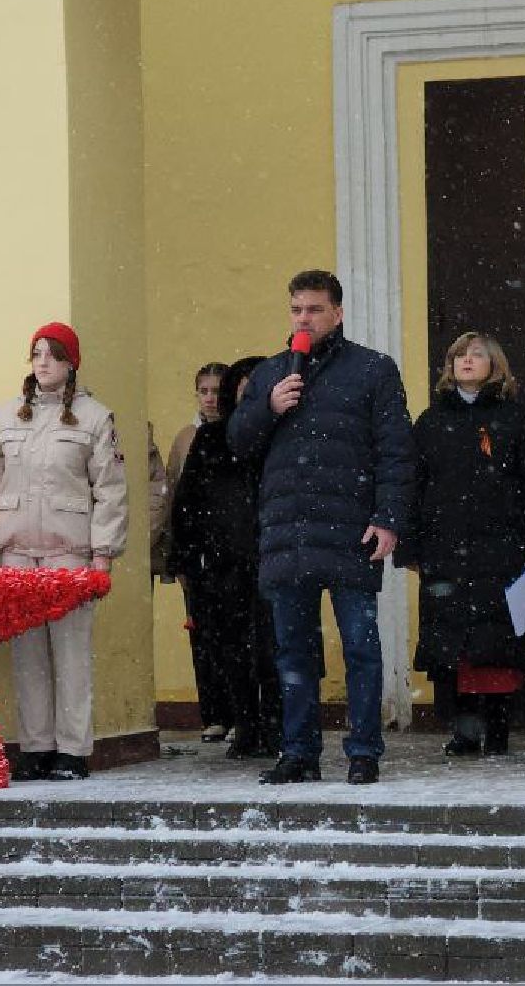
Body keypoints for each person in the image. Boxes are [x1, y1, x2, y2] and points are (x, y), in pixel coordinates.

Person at [227, 269, 415, 786]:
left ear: (337, 313)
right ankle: (299, 752)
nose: (303, 318)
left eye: (313, 309)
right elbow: (238, 443)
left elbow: (395, 451)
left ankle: (363, 751)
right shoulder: (272, 373)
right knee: (293, 650)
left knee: (360, 644)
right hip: (288, 533)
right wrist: (268, 407)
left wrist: (388, 519)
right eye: (295, 310)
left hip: (352, 531)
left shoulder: (372, 370)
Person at [0, 322, 129, 781]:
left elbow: (111, 490)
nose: (43, 363)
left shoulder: (95, 418)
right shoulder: (6, 418)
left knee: (71, 655)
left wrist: (103, 553)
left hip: (69, 553)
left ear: (70, 362)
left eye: (53, 355)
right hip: (17, 552)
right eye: (36, 354)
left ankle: (73, 751)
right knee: (29, 657)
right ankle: (37, 747)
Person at [400, 332, 525, 758]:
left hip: (500, 548)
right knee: (452, 647)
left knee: (496, 645)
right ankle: (464, 729)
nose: (467, 361)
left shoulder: (514, 418)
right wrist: (411, 546)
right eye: (459, 356)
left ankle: (498, 727)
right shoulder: (430, 422)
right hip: (444, 549)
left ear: (495, 365)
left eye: (477, 355)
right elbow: (414, 485)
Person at [170, 356, 280, 759]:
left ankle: (276, 725)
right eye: (241, 386)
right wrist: (185, 559)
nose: (244, 393)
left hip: (273, 558)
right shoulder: (210, 440)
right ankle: (245, 725)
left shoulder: (281, 435)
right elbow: (186, 506)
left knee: (274, 648)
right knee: (231, 649)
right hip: (222, 564)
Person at [152, 363, 235, 743]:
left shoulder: (240, 432)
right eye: (204, 390)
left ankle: (241, 712)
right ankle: (214, 713)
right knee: (202, 635)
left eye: (217, 390)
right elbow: (172, 496)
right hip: (196, 551)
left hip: (230, 551)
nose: (211, 398)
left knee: (236, 634)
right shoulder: (185, 439)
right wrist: (176, 556)